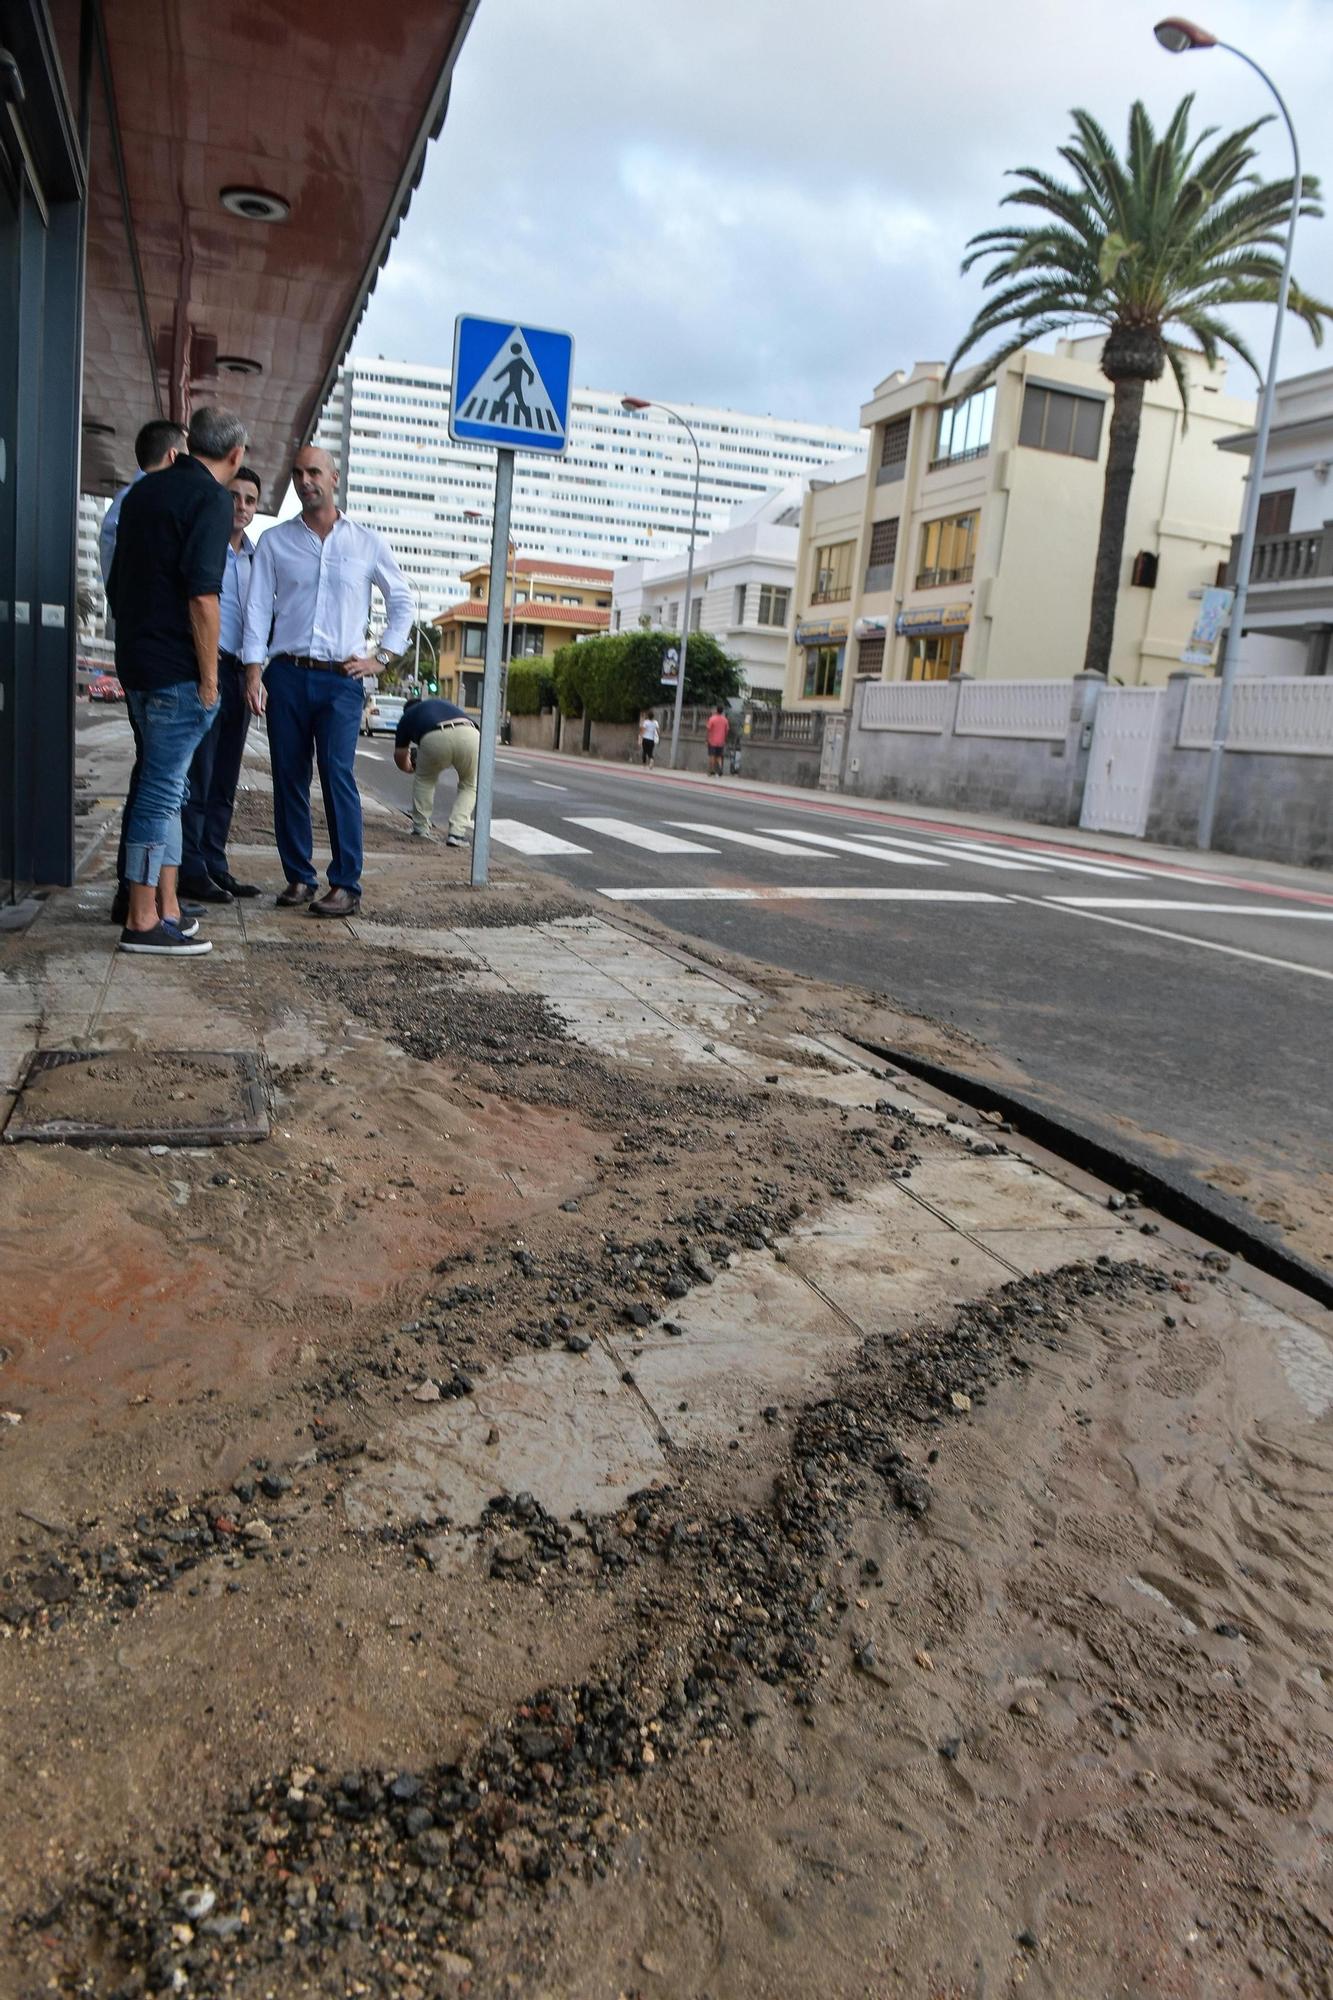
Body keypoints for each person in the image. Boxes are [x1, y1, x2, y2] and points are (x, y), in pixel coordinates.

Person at [242, 446, 412, 918]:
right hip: (287, 675)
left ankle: (346, 883)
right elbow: (257, 609)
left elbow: (402, 601)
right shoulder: (275, 542)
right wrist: (253, 670)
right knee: (289, 778)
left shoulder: (367, 543)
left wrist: (382, 656)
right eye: (297, 472)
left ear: (334, 477)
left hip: (341, 680)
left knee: (337, 775)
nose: (305, 480)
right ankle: (299, 876)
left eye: (314, 471)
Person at [107, 406, 246, 955]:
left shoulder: (143, 492)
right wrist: (211, 680)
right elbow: (203, 597)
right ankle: (142, 920)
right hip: (177, 672)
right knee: (160, 791)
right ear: (235, 455)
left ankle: (166, 907)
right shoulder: (211, 498)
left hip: (138, 664)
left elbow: (117, 584)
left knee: (167, 789)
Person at [100, 418, 189, 927]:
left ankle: (153, 897)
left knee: (159, 779)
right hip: (156, 661)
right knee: (156, 782)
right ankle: (137, 899)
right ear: (176, 458)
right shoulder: (143, 505)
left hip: (140, 655)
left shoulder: (128, 505)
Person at [179, 466, 262, 903]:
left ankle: (214, 864)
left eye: (250, 500)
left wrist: (256, 672)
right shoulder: (206, 543)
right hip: (205, 670)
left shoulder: (256, 558)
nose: (241, 507)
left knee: (227, 778)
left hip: (239, 673)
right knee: (200, 775)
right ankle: (191, 869)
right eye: (234, 497)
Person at [393, 695, 479, 847]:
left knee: (425, 781)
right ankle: (457, 834)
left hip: (434, 737)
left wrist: (410, 768)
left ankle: (420, 829)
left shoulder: (407, 718)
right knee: (469, 785)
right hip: (470, 733)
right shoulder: (440, 704)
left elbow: (400, 756)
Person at [706, 703, 729, 776]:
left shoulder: (712, 718)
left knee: (712, 755)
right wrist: (724, 737)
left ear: (716, 710)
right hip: (721, 741)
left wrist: (706, 739)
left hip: (712, 740)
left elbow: (708, 729)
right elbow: (727, 730)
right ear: (722, 711)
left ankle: (711, 770)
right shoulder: (725, 720)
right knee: (719, 756)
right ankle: (720, 769)